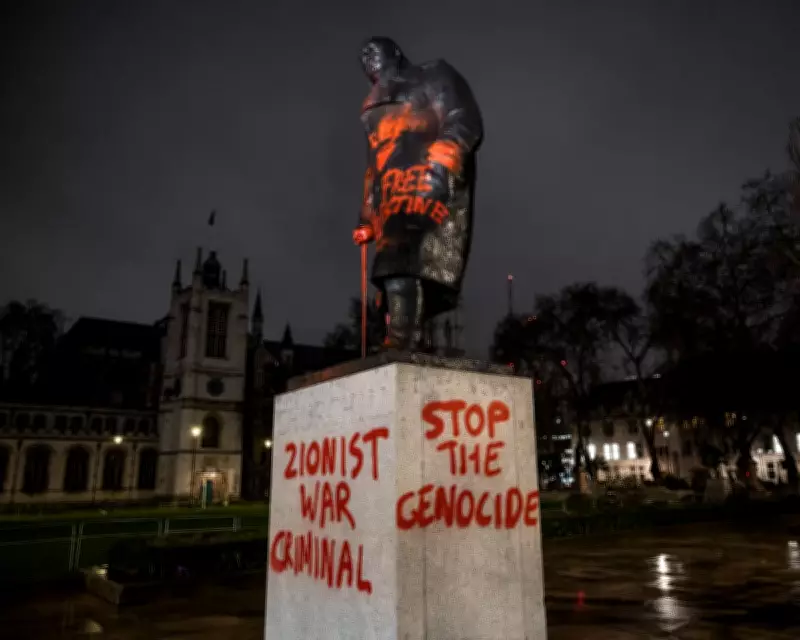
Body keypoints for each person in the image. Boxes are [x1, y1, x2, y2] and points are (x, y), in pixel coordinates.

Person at [353, 37, 483, 351]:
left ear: (395, 52)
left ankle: (402, 337)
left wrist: (442, 161)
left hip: (428, 177)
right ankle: (403, 335)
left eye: (374, 49)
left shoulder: (434, 75)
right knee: (394, 266)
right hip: (392, 190)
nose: (366, 55)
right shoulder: (373, 107)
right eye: (363, 55)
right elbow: (374, 164)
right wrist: (367, 216)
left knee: (404, 260)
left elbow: (462, 118)